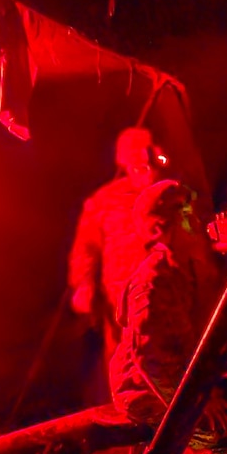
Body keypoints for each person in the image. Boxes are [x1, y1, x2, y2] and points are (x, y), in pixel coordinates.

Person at [110, 179, 227, 454]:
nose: (199, 221)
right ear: (162, 228)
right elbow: (151, 362)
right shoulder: (154, 282)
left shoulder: (183, 267)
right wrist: (199, 402)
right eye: (187, 214)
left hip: (173, 379)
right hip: (145, 391)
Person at [66, 127, 171, 360]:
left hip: (171, 296)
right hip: (122, 299)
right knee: (126, 363)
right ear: (123, 161)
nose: (141, 159)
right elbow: (86, 247)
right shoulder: (105, 201)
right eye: (133, 153)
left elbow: (195, 239)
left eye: (146, 151)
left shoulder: (175, 193)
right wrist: (83, 285)